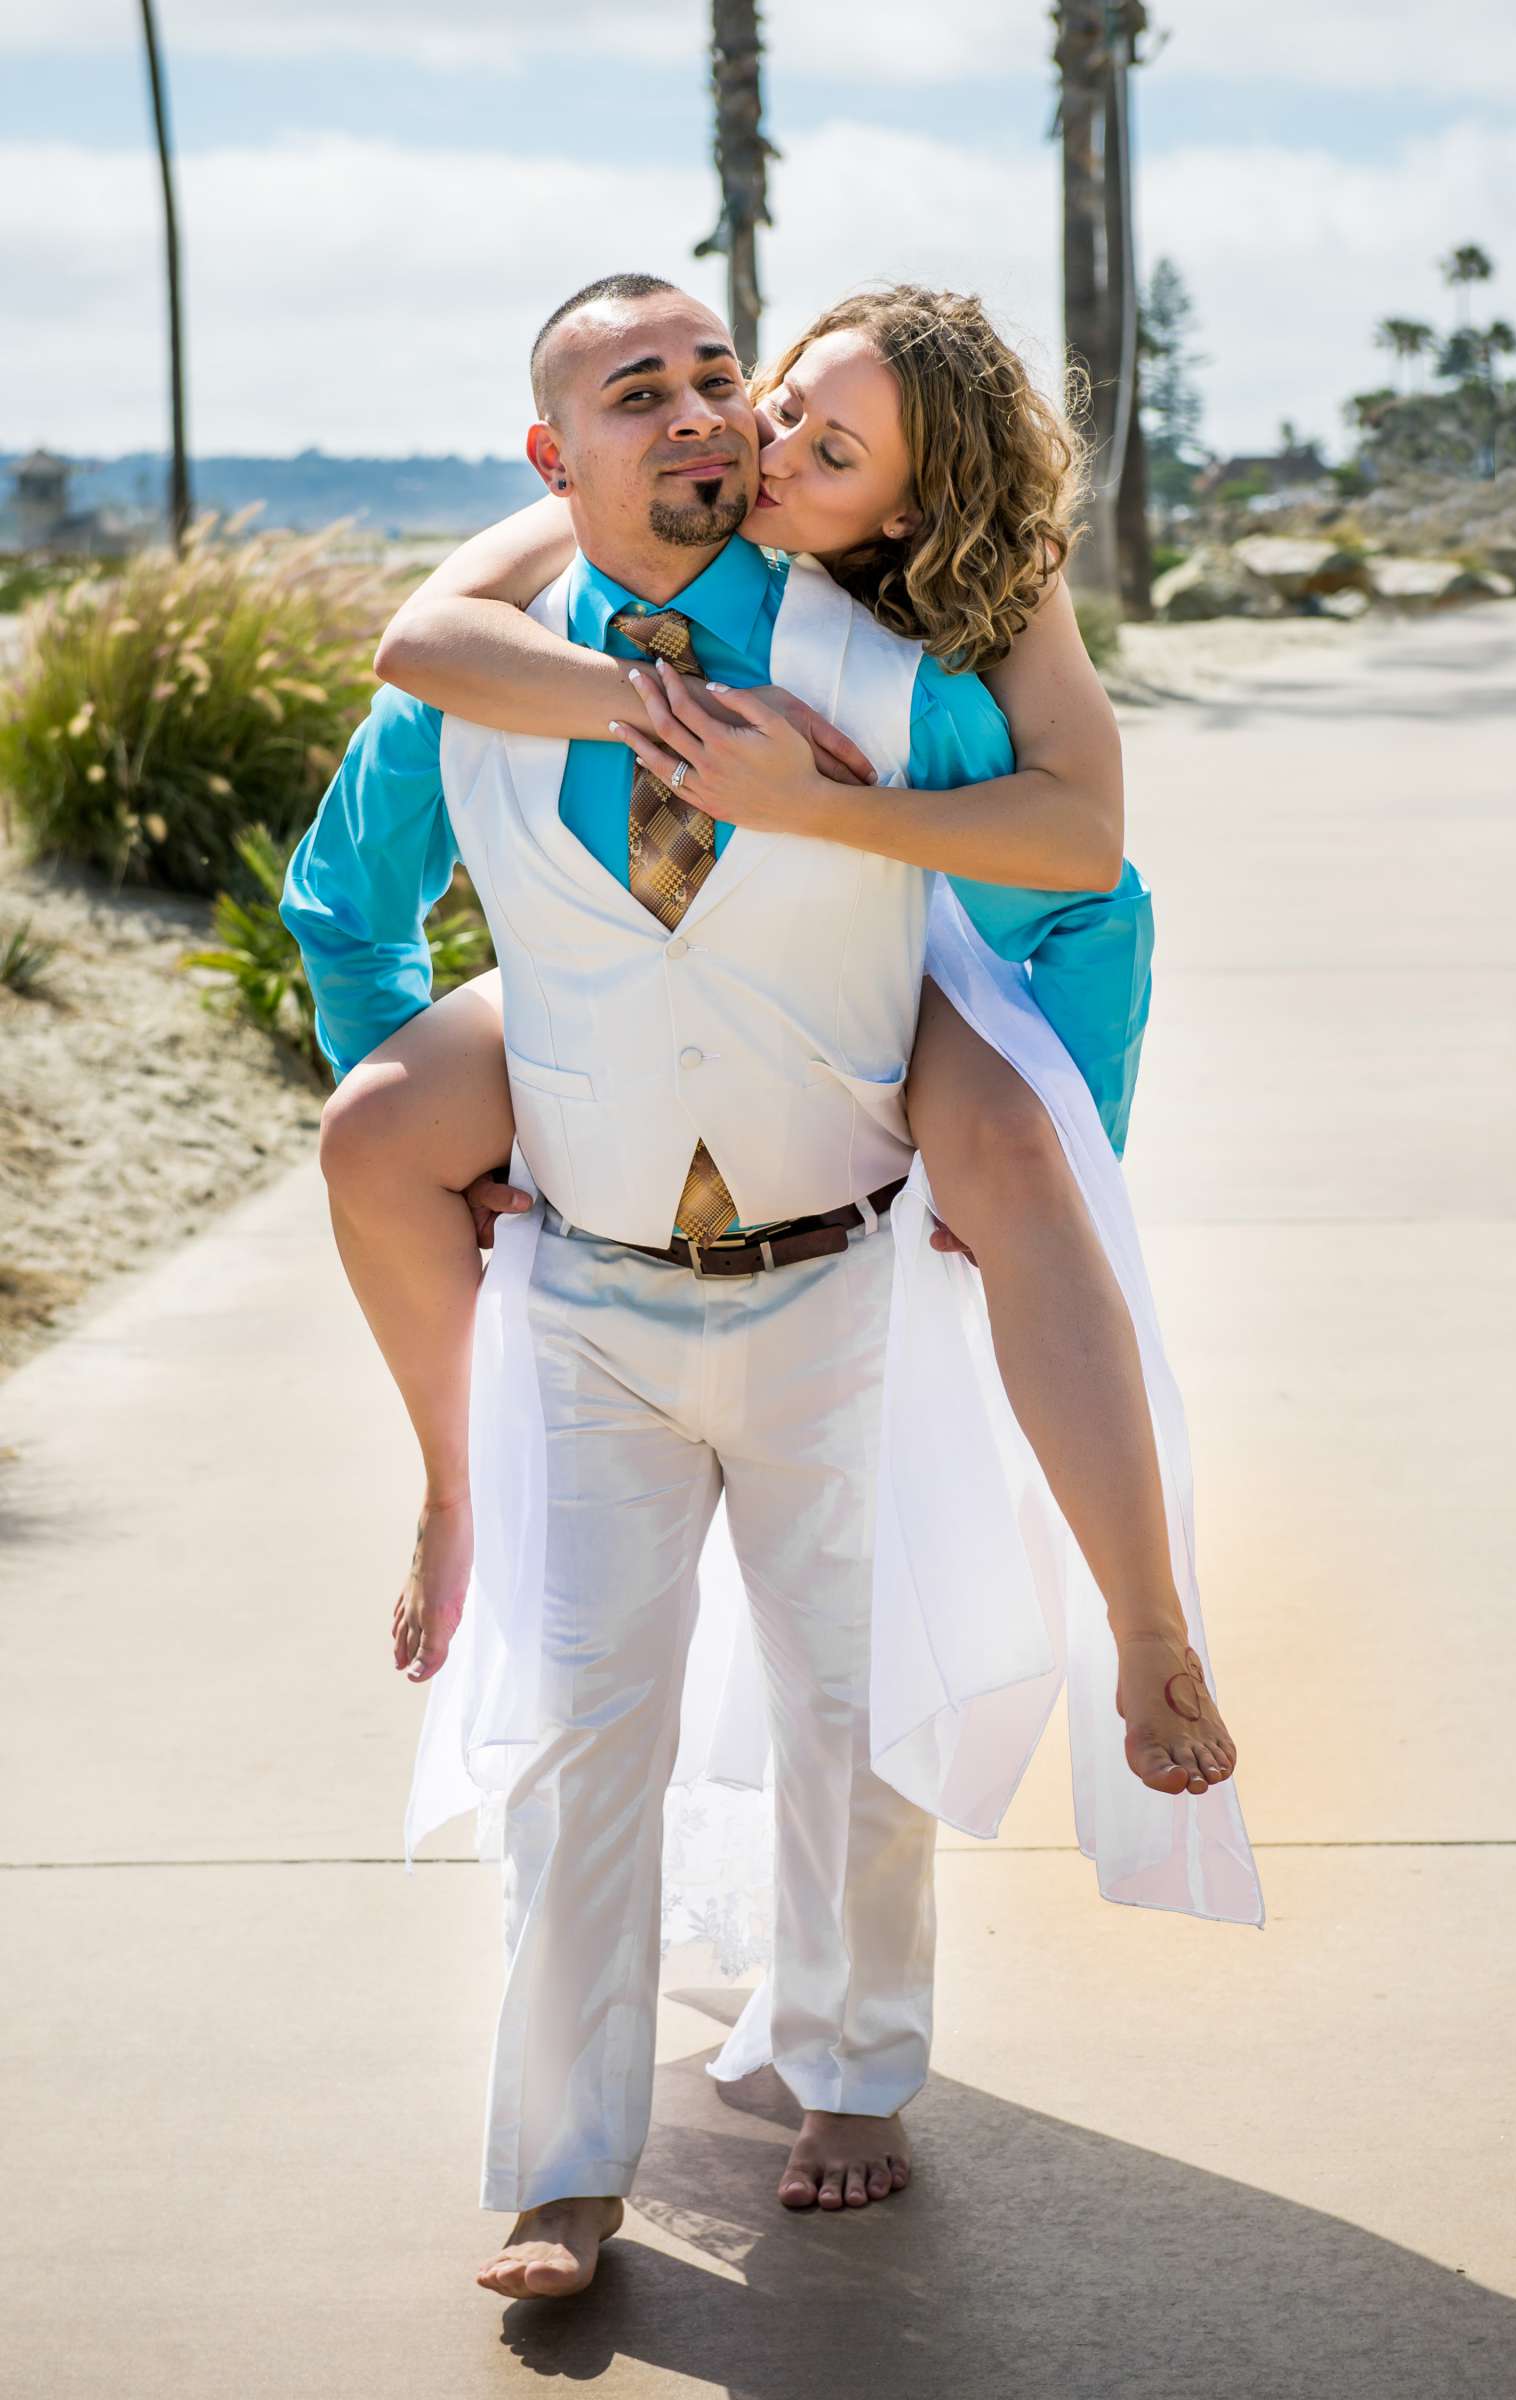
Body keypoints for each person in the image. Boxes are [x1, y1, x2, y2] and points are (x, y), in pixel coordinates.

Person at [280, 274, 1252, 2306]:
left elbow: (1083, 881)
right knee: (571, 1740)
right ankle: (558, 2174)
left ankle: (847, 2077)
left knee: (850, 1716)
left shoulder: (893, 667)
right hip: (591, 1295)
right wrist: (452, 1153)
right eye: (648, 391)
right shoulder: (473, 676)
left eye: (728, 380)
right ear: (559, 462)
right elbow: (342, 906)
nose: (709, 414)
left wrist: (1040, 1145)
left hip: (834, 1277)